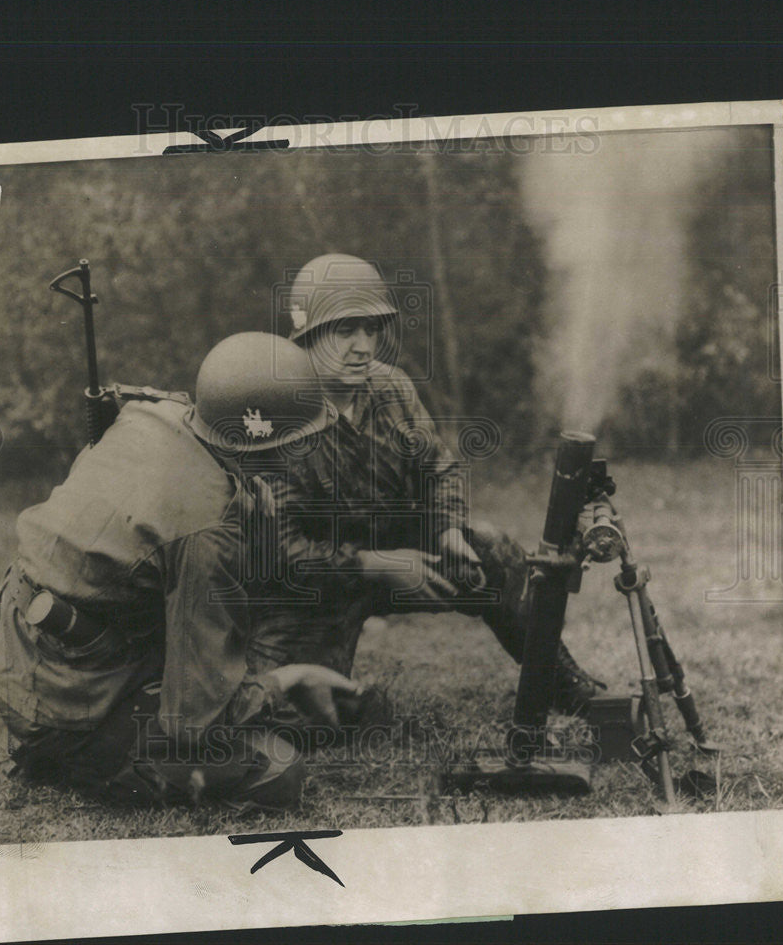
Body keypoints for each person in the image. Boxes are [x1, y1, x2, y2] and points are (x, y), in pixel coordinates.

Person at [0, 332, 362, 811]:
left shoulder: (154, 414)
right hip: (65, 698)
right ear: (261, 444)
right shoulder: (209, 532)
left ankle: (69, 738)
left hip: (26, 639)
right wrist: (292, 679)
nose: (303, 455)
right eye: (296, 443)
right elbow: (194, 719)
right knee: (277, 769)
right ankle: (75, 759)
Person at [244, 253, 603, 715]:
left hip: (403, 559)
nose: (363, 346)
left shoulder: (390, 389)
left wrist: (447, 530)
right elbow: (280, 555)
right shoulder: (276, 415)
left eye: (372, 329)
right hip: (310, 592)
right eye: (345, 330)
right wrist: (376, 564)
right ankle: (354, 708)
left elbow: (440, 469)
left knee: (491, 549)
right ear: (307, 336)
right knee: (295, 718)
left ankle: (561, 682)